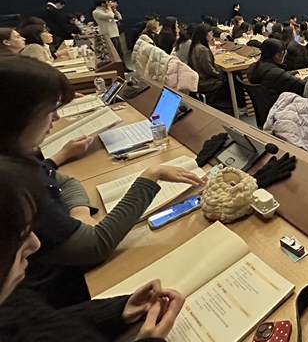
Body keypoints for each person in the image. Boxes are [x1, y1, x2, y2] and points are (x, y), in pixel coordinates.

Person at [0, 57, 202, 308]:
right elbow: (96, 245)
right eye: (48, 110)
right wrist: (150, 177)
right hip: (58, 296)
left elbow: (68, 182)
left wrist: (79, 215)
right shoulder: (11, 185)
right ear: (17, 115)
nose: (55, 118)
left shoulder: (19, 159)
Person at [0, 155, 187, 342]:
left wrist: (116, 312)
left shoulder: (13, 296)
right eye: (20, 236)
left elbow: (42, 323)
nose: (35, 244)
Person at [188, 24, 243, 112]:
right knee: (233, 78)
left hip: (200, 79)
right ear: (204, 35)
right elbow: (209, 70)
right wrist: (221, 74)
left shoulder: (195, 46)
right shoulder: (202, 50)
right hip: (206, 82)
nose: (212, 35)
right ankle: (238, 106)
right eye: (210, 33)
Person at [247, 39, 306, 113]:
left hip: (267, 107)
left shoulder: (254, 67)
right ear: (277, 55)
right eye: (284, 53)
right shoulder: (277, 74)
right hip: (281, 108)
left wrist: (294, 73)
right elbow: (304, 86)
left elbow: (280, 77)